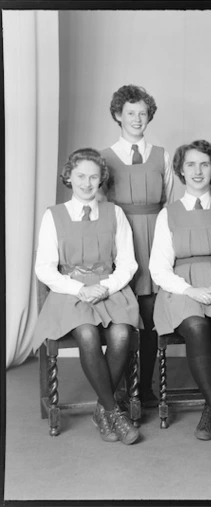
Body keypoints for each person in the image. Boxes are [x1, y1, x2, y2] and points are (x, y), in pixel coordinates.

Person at [34, 148, 141, 445]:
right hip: (70, 291)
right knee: (88, 334)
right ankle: (112, 410)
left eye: (94, 177)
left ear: (101, 180)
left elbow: (128, 262)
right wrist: (79, 289)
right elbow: (44, 268)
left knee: (121, 334)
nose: (86, 182)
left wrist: (105, 287)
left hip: (108, 287)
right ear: (69, 176)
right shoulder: (54, 215)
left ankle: (101, 410)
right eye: (80, 176)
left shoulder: (114, 212)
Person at [149, 140, 211, 445]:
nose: (198, 171)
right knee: (195, 326)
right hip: (181, 287)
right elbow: (159, 268)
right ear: (180, 170)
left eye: (204, 164)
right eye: (191, 164)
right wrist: (190, 290)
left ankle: (210, 410)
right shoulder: (168, 213)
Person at [100, 84, 175, 407]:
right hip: (119, 240)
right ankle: (118, 388)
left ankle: (144, 389)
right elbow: (100, 206)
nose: (137, 119)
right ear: (118, 115)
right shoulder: (104, 158)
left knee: (150, 317)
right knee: (122, 315)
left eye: (143, 113)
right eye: (130, 113)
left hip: (154, 239)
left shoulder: (162, 155)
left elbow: (169, 201)